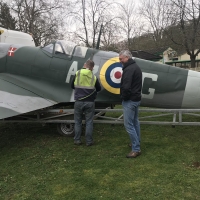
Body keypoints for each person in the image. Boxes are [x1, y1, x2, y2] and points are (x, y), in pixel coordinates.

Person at [71, 60, 101, 146]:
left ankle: (77, 140)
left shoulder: (78, 73)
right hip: (90, 102)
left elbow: (72, 86)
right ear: (92, 67)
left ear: (85, 65)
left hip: (78, 102)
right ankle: (89, 141)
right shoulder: (93, 77)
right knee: (89, 122)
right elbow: (99, 89)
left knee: (77, 122)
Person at [119, 50, 142, 158]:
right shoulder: (136, 67)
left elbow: (126, 87)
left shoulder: (128, 69)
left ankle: (136, 149)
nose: (120, 61)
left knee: (129, 125)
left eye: (121, 59)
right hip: (136, 99)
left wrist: (124, 98)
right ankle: (136, 142)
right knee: (135, 122)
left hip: (130, 100)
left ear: (127, 58)